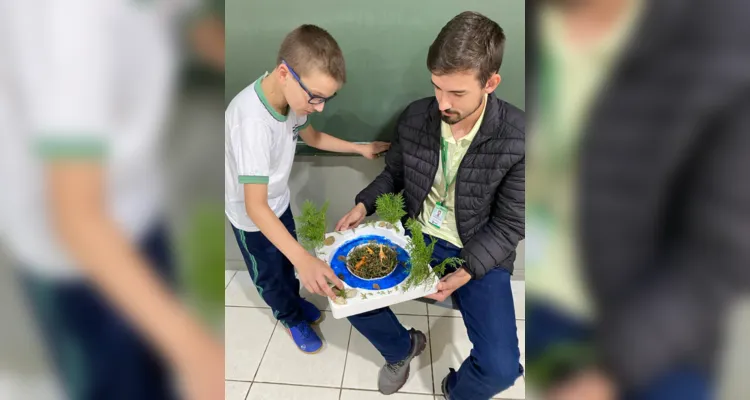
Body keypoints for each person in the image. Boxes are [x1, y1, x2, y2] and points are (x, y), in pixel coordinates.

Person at [0, 1, 225, 399]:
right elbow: (76, 218)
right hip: (75, 260)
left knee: (156, 367)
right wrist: (198, 353)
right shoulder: (66, 24)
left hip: (133, 206)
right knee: (117, 380)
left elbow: (188, 22)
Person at [526, 0, 750, 399]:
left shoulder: (727, 36)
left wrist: (609, 372)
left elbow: (719, 257)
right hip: (526, 284)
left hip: (642, 322)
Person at [336, 11, 525, 398]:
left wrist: (468, 270)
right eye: (437, 87)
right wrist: (363, 205)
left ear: (491, 83)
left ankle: (455, 389)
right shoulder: (417, 116)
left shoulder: (519, 138)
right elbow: (394, 176)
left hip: (477, 250)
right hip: (415, 235)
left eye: (457, 93)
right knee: (344, 290)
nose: (442, 103)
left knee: (502, 369)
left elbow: (510, 224)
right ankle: (402, 348)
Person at [225, 24, 390, 354]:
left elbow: (312, 137)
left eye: (327, 99)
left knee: (285, 262)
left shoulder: (290, 101)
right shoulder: (252, 122)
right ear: (285, 73)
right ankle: (289, 316)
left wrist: (360, 149)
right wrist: (305, 259)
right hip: (251, 217)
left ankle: (294, 301)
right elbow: (255, 206)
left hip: (278, 202)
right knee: (270, 273)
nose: (319, 107)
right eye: (315, 97)